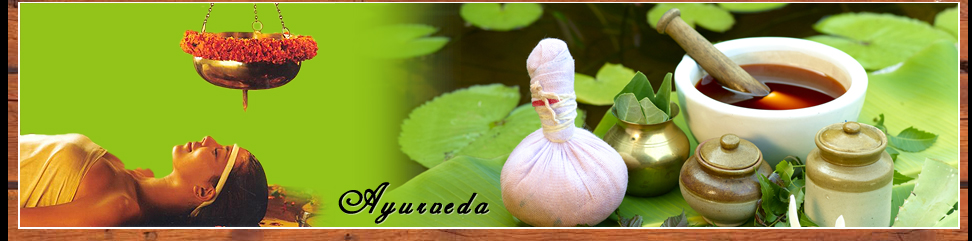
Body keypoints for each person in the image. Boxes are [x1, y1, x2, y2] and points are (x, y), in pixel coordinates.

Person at [19, 134, 268, 227]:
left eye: (216, 152)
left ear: (204, 191)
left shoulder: (118, 207)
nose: (208, 138)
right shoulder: (135, 177)